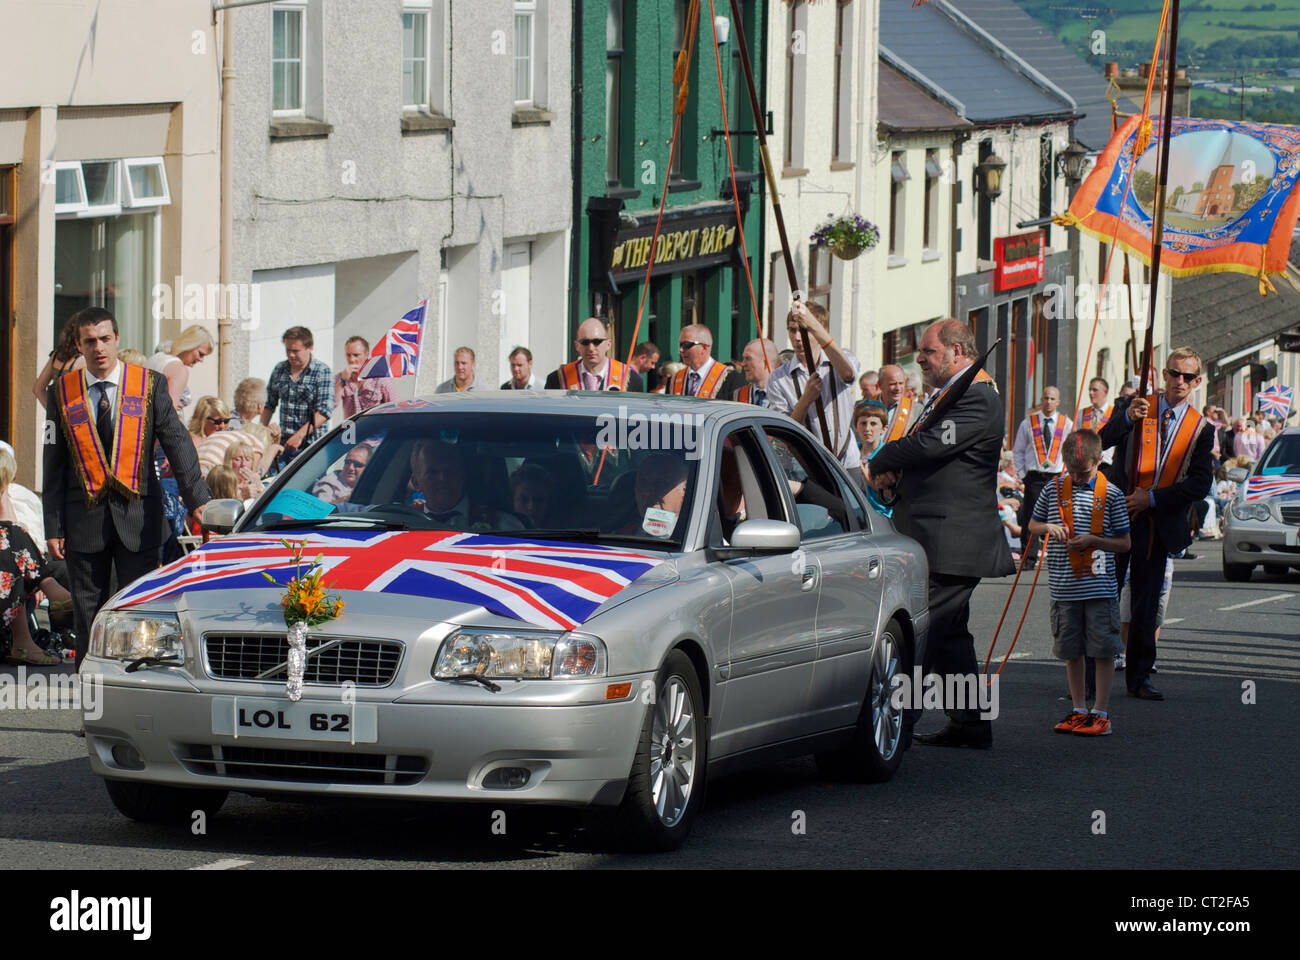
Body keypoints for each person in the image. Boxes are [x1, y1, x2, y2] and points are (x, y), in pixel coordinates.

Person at [867, 318, 1014, 748]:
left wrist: (883, 458)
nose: (922, 360)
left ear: (956, 350)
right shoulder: (955, 392)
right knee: (950, 637)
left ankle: (895, 728)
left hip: (952, 541)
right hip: (936, 535)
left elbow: (932, 444)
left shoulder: (978, 396)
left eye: (928, 353)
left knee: (921, 631)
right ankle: (971, 724)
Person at [43, 307, 211, 668]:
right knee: (89, 613)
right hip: (82, 521)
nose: (99, 348)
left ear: (117, 339)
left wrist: (198, 499)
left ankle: (137, 692)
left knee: (140, 609)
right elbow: (52, 461)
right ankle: (93, 700)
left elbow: (177, 442)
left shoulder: (149, 385)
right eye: (90, 341)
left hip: (139, 518)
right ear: (80, 345)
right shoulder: (63, 391)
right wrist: (52, 526)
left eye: (105, 339)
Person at [1097, 346, 1214, 701]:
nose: (1179, 381)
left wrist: (1152, 499)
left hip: (1156, 522)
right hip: (1117, 517)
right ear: (1163, 374)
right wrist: (1127, 418)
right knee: (1103, 597)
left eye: (1187, 376)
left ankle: (1140, 676)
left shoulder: (1201, 428)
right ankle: (1090, 676)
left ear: (1196, 382)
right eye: (1173, 373)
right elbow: (1100, 442)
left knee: (1146, 605)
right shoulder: (1136, 406)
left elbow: (1199, 484)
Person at [1028, 430, 1131, 737]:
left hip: (1099, 588)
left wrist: (1095, 540)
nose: (1077, 477)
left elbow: (1125, 543)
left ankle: (1100, 711)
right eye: (1071, 471)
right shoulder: (1053, 488)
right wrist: (1048, 526)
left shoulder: (1111, 494)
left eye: (1083, 472)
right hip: (1063, 586)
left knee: (1102, 649)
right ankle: (1078, 709)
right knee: (1071, 650)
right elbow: (1033, 524)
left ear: (1100, 461)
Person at [766, 301, 861, 472]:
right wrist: (806, 399)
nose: (796, 337)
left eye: (804, 330)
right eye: (792, 330)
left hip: (848, 463)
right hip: (810, 469)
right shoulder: (778, 378)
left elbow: (848, 374)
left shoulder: (841, 358)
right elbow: (785, 431)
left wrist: (814, 324)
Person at [1012, 386, 1073, 568]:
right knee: (1032, 516)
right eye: (1045, 398)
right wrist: (1023, 475)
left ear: (1058, 401)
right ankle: (1029, 558)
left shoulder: (1066, 423)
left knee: (1059, 516)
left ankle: (1058, 557)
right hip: (1035, 476)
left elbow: (1070, 450)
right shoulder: (1029, 422)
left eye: (1052, 399)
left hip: (1057, 475)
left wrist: (1068, 473)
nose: (1048, 402)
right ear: (1041, 399)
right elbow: (1018, 451)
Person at [409, 439, 522, 530]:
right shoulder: (403, 521)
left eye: (450, 470)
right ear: (416, 483)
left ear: (463, 475)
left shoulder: (503, 526)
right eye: (432, 473)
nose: (442, 478)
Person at [262, 325, 333, 468]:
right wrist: (261, 432)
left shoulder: (321, 371)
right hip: (282, 444)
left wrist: (299, 436)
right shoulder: (280, 369)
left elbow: (325, 411)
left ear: (309, 347)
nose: (291, 355)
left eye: (295, 351)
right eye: (288, 350)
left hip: (310, 445)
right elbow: (269, 404)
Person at [545, 318, 643, 391]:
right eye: (585, 342)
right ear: (577, 346)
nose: (591, 348)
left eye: (597, 341)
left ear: (608, 344)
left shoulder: (630, 378)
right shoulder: (557, 379)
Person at [148, 324, 214, 413]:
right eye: (200, 354)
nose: (201, 360)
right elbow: (168, 414)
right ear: (190, 344)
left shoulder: (157, 358)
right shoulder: (179, 369)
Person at [667, 324, 743, 398]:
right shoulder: (674, 379)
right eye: (680, 345)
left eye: (686, 345)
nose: (681, 350)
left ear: (704, 347)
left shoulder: (730, 378)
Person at [34, 319, 88, 410]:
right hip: (76, 418)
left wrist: (52, 412)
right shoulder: (82, 361)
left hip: (58, 416)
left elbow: (38, 389)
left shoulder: (56, 355)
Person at [335, 335, 396, 416]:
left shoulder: (380, 378)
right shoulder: (341, 377)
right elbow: (330, 405)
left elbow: (394, 406)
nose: (351, 360)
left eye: (356, 355)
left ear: (366, 355)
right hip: (351, 427)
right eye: (348, 355)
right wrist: (342, 382)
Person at [1079, 378, 1115, 467]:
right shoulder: (1082, 413)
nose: (1091, 393)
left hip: (1106, 464)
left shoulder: (1114, 413)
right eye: (1090, 390)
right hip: (1086, 463)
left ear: (1105, 392)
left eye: (1095, 390)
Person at [733, 338, 780, 406]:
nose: (743, 364)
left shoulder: (786, 395)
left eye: (748, 358)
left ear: (765, 363)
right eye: (743, 358)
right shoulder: (737, 395)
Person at [878, 364, 915, 444]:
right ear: (880, 385)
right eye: (892, 384)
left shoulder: (916, 409)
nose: (898, 388)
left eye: (901, 383)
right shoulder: (864, 406)